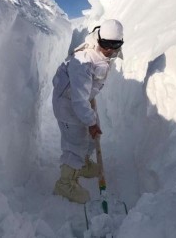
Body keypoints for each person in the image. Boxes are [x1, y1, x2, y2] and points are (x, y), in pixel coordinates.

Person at [52, 19, 124, 204]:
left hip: (81, 99)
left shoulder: (105, 53)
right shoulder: (83, 60)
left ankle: (82, 165)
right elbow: (78, 100)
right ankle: (65, 183)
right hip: (68, 104)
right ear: (98, 38)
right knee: (75, 143)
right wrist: (91, 123)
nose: (109, 49)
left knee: (92, 138)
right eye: (105, 44)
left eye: (115, 45)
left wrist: (92, 120)